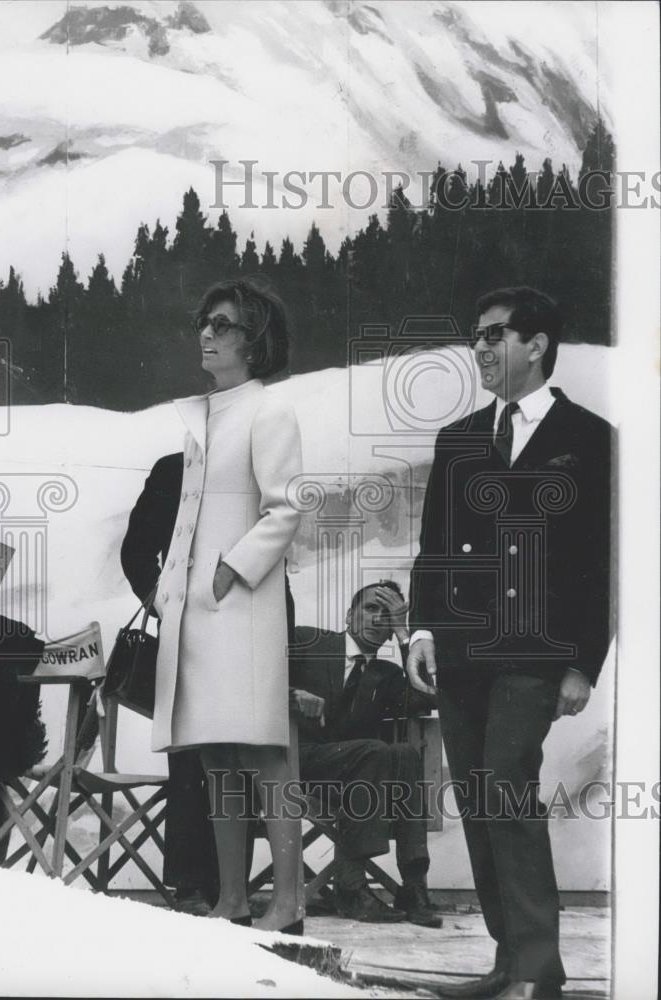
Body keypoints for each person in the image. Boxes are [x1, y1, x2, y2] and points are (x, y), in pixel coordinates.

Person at [407, 287, 613, 999]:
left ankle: (536, 970)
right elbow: (433, 548)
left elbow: (599, 565)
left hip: (533, 654)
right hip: (462, 652)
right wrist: (424, 629)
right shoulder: (459, 437)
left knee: (504, 791)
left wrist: (581, 662)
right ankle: (509, 962)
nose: (481, 350)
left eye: (494, 336)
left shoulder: (588, 439)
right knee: (476, 796)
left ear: (536, 345)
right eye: (476, 337)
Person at [151, 277, 303, 933]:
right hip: (195, 611)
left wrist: (229, 569)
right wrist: (172, 592)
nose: (206, 334)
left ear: (254, 339)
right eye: (203, 321)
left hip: (241, 607)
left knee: (264, 751)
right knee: (214, 753)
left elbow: (286, 507)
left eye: (221, 324)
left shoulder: (269, 411)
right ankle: (233, 899)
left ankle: (288, 903)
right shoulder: (206, 415)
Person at [121, 453, 296, 904]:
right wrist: (165, 604)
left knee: (247, 758)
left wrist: (282, 643)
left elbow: (274, 564)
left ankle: (230, 890)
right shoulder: (174, 469)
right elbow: (137, 550)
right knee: (193, 759)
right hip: (190, 632)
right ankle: (191, 885)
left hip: (253, 632)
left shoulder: (260, 468)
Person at [289, 580, 442, 928]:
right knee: (375, 751)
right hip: (296, 763)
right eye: (371, 608)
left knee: (403, 753)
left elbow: (429, 696)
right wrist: (292, 693)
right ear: (349, 615)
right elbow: (260, 677)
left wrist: (407, 637)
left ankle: (413, 885)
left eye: (388, 616)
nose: (378, 619)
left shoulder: (386, 674)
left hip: (357, 783)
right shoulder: (307, 641)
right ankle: (352, 886)